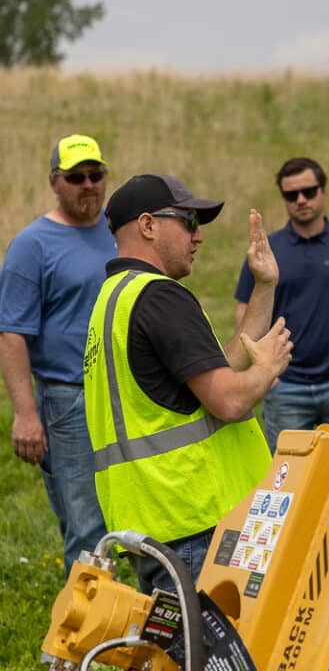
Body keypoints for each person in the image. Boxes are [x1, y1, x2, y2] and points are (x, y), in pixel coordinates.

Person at [83, 174, 293, 593]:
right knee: (219, 656)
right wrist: (267, 368)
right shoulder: (160, 297)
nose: (198, 238)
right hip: (196, 519)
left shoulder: (115, 298)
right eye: (188, 222)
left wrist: (264, 284)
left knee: (184, 653)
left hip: (157, 520)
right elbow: (230, 400)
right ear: (147, 225)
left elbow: (221, 369)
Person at [0, 134, 113, 574]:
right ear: (54, 182)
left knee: (128, 519)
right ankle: (85, 633)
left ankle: (125, 616)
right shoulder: (33, 245)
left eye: (95, 174)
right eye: (75, 177)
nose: (88, 184)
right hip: (69, 401)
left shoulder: (119, 229)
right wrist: (26, 414)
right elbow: (11, 334)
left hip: (124, 396)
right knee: (86, 528)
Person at [234, 156, 329, 452]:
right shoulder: (266, 251)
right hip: (284, 385)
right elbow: (245, 313)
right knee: (286, 480)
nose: (301, 200)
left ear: (323, 191)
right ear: (284, 199)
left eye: (309, 192)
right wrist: (267, 372)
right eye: (291, 195)